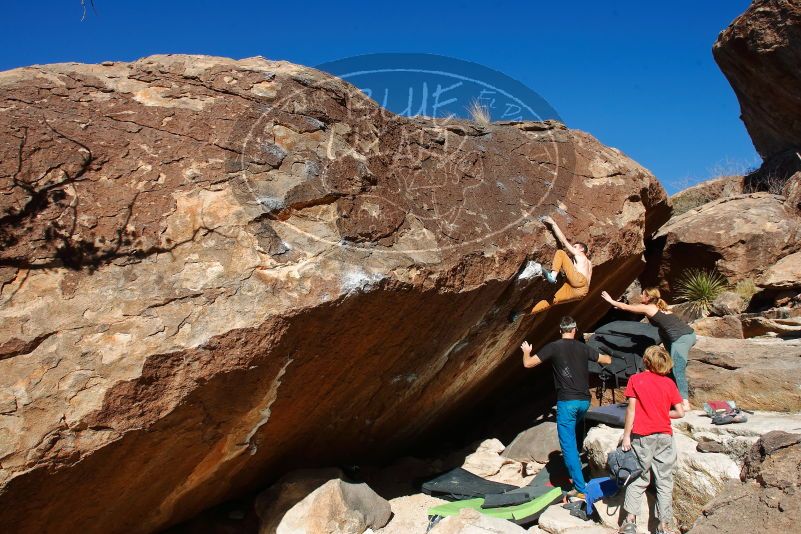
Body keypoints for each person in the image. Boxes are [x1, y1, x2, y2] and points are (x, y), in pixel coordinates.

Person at [521, 316, 612, 498]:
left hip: (567, 402)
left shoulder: (554, 347)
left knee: (568, 445)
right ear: (575, 329)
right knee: (572, 434)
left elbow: (528, 363)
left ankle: (580, 488)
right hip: (584, 402)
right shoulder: (583, 347)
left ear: (560, 330)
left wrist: (526, 351)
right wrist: (604, 353)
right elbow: (607, 360)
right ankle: (578, 467)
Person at [618, 345, 685, 534]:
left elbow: (631, 410)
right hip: (664, 436)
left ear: (646, 361)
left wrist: (626, 436)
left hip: (643, 436)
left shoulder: (636, 380)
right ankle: (664, 526)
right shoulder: (669, 383)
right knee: (664, 481)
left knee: (638, 478)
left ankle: (630, 522)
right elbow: (680, 412)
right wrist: (662, 412)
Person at [600, 287, 695, 410]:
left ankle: (685, 403)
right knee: (669, 367)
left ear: (648, 298)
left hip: (681, 338)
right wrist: (623, 306)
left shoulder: (649, 307)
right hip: (684, 336)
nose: (640, 296)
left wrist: (611, 301)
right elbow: (633, 308)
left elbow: (627, 307)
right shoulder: (659, 307)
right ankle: (674, 399)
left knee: (678, 369)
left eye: (642, 294)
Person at [529, 216, 593, 315]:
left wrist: (553, 223)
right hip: (582, 292)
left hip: (579, 280)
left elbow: (563, 241)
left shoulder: (580, 254)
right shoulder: (589, 263)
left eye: (575, 246)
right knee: (553, 300)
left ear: (581, 249)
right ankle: (521, 313)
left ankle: (552, 276)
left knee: (561, 253)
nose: (573, 248)